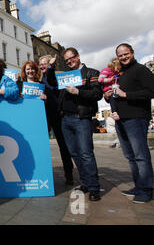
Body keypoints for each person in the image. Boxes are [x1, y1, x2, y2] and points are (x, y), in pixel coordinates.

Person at [109, 43, 154, 203]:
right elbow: (118, 96)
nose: (123, 57)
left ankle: (147, 190)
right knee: (131, 156)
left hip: (137, 118)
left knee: (141, 156)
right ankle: (139, 186)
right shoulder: (122, 74)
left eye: (126, 54)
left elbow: (151, 91)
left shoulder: (141, 70)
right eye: (120, 55)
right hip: (122, 120)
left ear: (132, 53)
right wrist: (112, 98)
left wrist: (126, 94)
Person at [58, 47, 102, 201]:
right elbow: (60, 96)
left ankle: (94, 188)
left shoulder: (92, 73)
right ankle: (85, 183)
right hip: (66, 119)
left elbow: (97, 94)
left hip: (81, 118)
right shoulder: (66, 76)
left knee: (86, 153)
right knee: (74, 153)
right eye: (67, 60)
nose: (70, 61)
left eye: (72, 58)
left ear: (78, 56)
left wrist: (78, 92)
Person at [39, 55, 74, 185]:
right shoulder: (40, 80)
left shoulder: (54, 76)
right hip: (43, 116)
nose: (42, 66)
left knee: (63, 146)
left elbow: (52, 81)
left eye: (45, 63)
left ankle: (68, 172)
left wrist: (51, 67)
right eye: (41, 64)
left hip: (57, 116)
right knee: (41, 144)